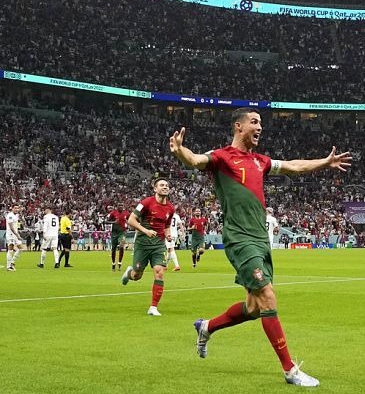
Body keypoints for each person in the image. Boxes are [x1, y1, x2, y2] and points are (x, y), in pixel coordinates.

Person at [169, 108, 351, 387]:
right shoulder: (222, 158)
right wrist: (180, 150)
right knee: (267, 296)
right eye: (254, 122)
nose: (260, 127)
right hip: (240, 238)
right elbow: (195, 160)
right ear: (238, 127)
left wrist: (324, 163)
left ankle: (207, 327)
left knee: (254, 308)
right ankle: (290, 370)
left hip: (260, 240)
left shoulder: (260, 161)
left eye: (261, 123)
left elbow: (294, 165)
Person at [121, 178, 175, 316]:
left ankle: (153, 307)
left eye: (167, 185)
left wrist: (168, 235)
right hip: (143, 244)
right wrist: (145, 231)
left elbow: (167, 225)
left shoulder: (170, 208)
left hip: (158, 244)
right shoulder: (146, 203)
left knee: (159, 271)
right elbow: (131, 220)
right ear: (155, 189)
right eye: (162, 185)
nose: (165, 187)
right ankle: (129, 273)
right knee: (137, 275)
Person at [106, 204, 129, 271]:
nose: (121, 207)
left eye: (122, 206)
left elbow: (131, 219)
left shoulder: (126, 213)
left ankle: (119, 263)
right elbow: (106, 221)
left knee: (121, 245)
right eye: (119, 206)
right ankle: (113, 263)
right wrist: (113, 222)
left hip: (122, 232)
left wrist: (129, 225)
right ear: (117, 207)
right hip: (114, 233)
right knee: (113, 249)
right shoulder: (113, 213)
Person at [5, 204, 23, 271]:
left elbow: (17, 225)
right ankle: (8, 266)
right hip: (11, 234)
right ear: (12, 208)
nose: (16, 209)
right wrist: (17, 235)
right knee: (10, 250)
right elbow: (11, 227)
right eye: (15, 208)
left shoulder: (16, 215)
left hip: (15, 235)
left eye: (17, 208)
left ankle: (12, 262)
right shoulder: (10, 215)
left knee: (21, 249)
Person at [167, 207, 185, 271]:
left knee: (171, 249)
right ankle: (165, 266)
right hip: (175, 235)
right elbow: (180, 225)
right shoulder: (176, 216)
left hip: (168, 234)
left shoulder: (167, 215)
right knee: (169, 249)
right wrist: (183, 233)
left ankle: (177, 265)